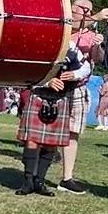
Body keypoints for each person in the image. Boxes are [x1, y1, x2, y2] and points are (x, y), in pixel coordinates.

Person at [16, 39, 93, 196]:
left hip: (60, 99)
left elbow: (86, 68)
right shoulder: (38, 45)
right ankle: (28, 181)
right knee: (32, 140)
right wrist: (47, 81)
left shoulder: (72, 47)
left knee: (51, 143)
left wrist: (75, 74)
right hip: (39, 95)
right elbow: (27, 71)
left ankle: (40, 181)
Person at [57, 0, 106, 193]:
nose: (86, 13)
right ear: (73, 9)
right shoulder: (64, 24)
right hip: (55, 85)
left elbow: (98, 60)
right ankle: (37, 174)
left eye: (90, 10)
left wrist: (97, 46)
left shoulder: (92, 34)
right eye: (83, 9)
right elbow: (71, 25)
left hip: (78, 87)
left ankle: (67, 177)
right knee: (51, 128)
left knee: (73, 132)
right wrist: (96, 17)